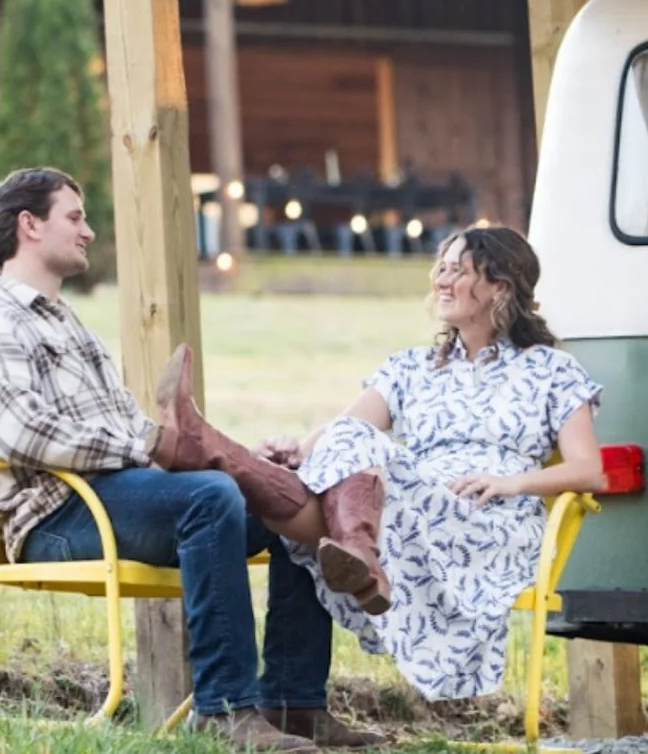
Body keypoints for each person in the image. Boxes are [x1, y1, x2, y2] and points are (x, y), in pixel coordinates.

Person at [0, 167, 380, 751]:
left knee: (288, 497)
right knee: (210, 498)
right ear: (29, 225)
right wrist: (159, 449)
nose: (89, 232)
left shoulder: (70, 329)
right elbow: (24, 433)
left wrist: (239, 462)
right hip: (59, 515)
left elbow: (134, 435)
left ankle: (293, 700)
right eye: (74, 217)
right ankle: (224, 710)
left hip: (119, 495)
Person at [155, 224, 606, 700]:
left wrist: (511, 482)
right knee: (346, 446)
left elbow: (589, 469)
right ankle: (354, 554)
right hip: (407, 512)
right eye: (441, 268)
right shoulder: (412, 366)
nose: (442, 280)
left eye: (459, 270)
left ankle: (217, 454)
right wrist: (292, 452)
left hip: (490, 523)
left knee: (336, 481)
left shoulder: (551, 370)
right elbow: (340, 432)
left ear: (501, 286)